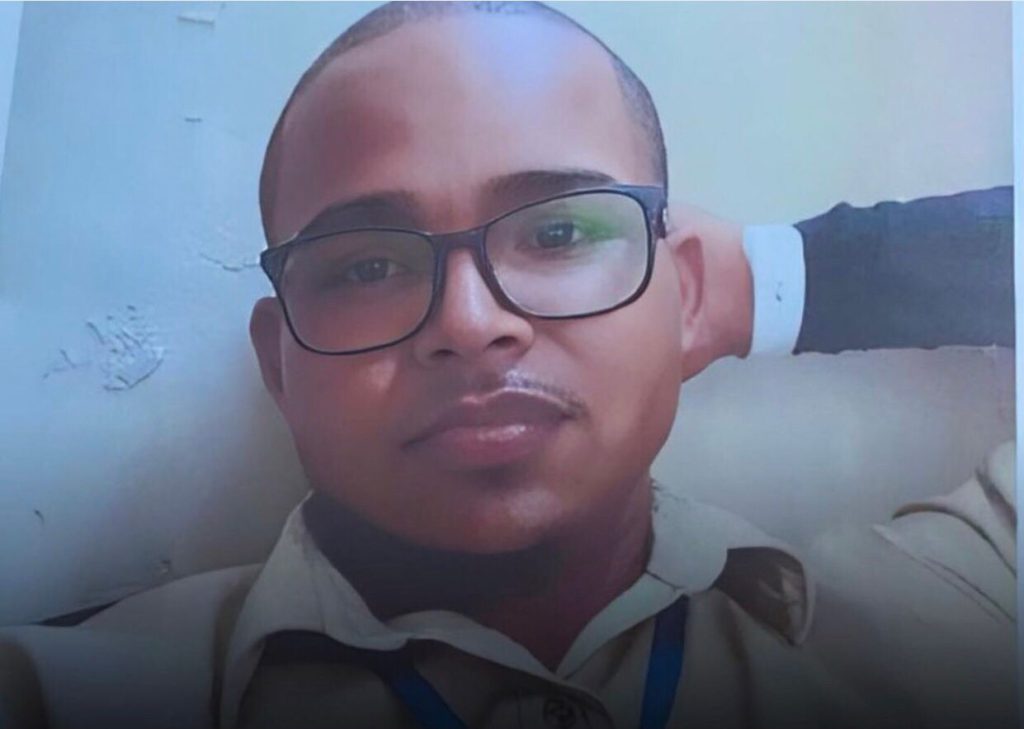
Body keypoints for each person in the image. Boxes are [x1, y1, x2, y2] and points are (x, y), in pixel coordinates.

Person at [0, 3, 1014, 729]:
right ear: (280, 363)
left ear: (685, 294)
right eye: (367, 265)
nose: (470, 322)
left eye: (561, 232)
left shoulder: (958, 620)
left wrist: (773, 281)